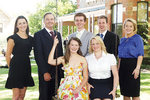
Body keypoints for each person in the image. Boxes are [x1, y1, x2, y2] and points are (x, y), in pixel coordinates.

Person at [33, 12, 63, 100]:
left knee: (57, 95)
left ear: (54, 21)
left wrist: (62, 70)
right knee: (45, 96)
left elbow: (60, 53)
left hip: (57, 72)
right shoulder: (38, 35)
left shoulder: (58, 34)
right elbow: (38, 55)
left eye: (51, 19)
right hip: (46, 72)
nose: (50, 21)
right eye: (47, 19)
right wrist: (44, 72)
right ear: (44, 21)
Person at [5, 16, 35, 100]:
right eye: (20, 23)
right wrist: (11, 68)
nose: (22, 25)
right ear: (17, 26)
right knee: (16, 96)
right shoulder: (12, 38)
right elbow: (7, 55)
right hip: (15, 68)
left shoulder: (31, 39)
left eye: (24, 23)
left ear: (27, 24)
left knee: (22, 96)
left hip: (26, 67)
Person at [118, 18, 144, 100]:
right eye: (126, 26)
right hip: (123, 68)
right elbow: (120, 57)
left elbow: (140, 54)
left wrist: (137, 68)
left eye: (130, 26)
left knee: (135, 93)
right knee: (125, 93)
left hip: (133, 66)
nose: (128, 28)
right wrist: (118, 70)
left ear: (134, 28)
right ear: (124, 27)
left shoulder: (137, 38)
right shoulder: (122, 40)